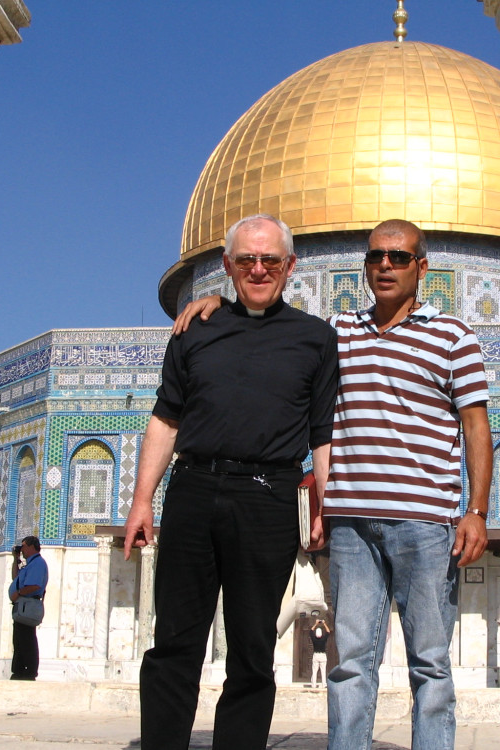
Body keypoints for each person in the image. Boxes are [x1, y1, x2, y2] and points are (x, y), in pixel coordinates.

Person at [174, 219, 493, 750]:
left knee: (431, 665)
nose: (385, 266)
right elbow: (271, 321)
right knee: (350, 663)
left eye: (397, 256)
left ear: (422, 267)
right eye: (375, 257)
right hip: (351, 526)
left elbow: (477, 427)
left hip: (426, 524)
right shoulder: (337, 333)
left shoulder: (454, 337)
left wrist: (475, 510)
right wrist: (215, 300)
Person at [124, 214, 338, 750]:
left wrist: (323, 507)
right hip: (194, 491)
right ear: (227, 266)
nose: (258, 269)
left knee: (251, 649)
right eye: (247, 260)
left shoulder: (315, 338)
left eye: (270, 260)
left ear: (291, 267)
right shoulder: (195, 329)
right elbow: (166, 418)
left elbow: (322, 434)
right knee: (174, 641)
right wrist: (141, 500)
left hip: (266, 499)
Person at [8, 536, 48, 680]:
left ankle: (28, 671)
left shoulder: (38, 564)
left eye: (23, 546)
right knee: (19, 638)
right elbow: (16, 578)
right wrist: (16, 559)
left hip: (28, 605)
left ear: (32, 546)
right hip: (22, 606)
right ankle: (19, 670)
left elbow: (35, 586)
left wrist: (18, 593)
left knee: (26, 638)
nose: (22, 549)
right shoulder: (30, 564)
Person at [309, 614, 331, 689]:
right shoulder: (323, 639)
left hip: (315, 655)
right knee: (323, 671)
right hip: (322, 655)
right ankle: (324, 684)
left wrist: (316, 623)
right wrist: (324, 623)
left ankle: (313, 685)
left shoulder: (314, 639)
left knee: (314, 671)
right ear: (321, 633)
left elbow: (311, 631)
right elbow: (328, 631)